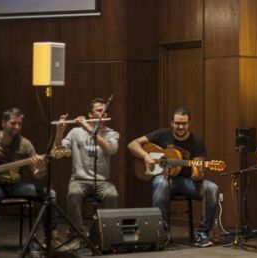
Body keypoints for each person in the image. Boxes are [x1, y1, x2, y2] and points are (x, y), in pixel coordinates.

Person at [0, 108, 59, 256]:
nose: (16, 127)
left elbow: (37, 175)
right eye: (13, 123)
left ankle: (51, 237)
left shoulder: (26, 145)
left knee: (50, 193)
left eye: (19, 124)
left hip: (16, 186)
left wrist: (41, 169)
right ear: (3, 123)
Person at [127, 106, 219, 247]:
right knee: (161, 182)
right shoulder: (162, 135)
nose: (180, 126)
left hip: (188, 182)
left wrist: (198, 172)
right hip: (165, 180)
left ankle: (202, 234)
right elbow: (132, 144)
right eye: (177, 123)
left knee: (212, 188)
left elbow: (197, 176)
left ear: (189, 124)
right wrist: (146, 156)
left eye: (184, 123)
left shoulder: (197, 142)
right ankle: (162, 234)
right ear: (171, 123)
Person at [53, 97, 120, 250]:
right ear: (90, 114)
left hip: (103, 181)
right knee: (73, 193)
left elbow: (110, 149)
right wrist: (60, 131)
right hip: (79, 179)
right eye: (99, 111)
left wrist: (90, 129)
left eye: (105, 111)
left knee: (112, 196)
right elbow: (58, 151)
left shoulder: (112, 133)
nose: (103, 113)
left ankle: (100, 236)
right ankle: (79, 236)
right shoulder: (76, 132)